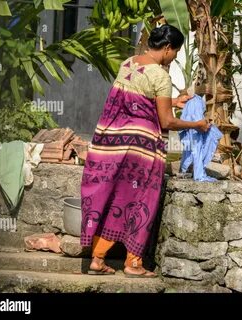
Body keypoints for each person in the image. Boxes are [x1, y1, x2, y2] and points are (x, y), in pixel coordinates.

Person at [80, 24, 210, 277]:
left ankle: (97, 258)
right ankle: (133, 263)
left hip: (113, 145)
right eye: (175, 52)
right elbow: (167, 122)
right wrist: (197, 124)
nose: (174, 57)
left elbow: (137, 99)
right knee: (139, 202)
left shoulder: (128, 63)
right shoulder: (161, 76)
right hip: (140, 151)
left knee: (115, 199)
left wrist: (172, 101)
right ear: (167, 48)